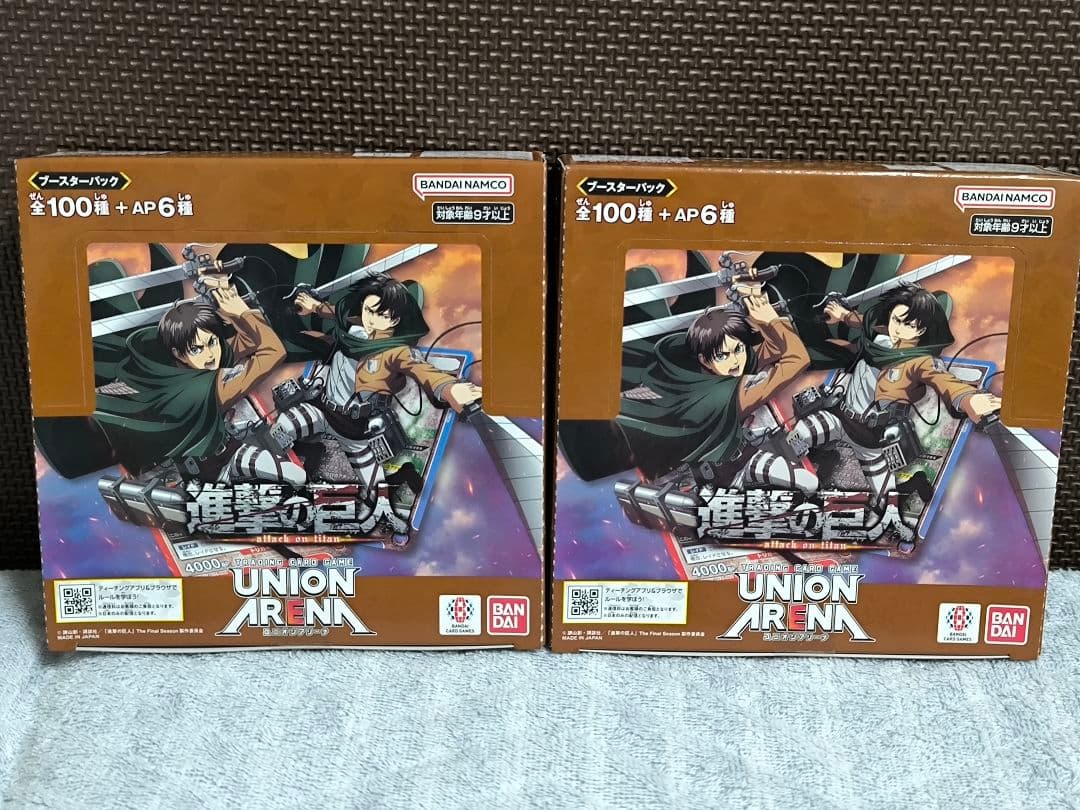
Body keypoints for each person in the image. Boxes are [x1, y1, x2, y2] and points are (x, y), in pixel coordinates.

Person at [266, 272, 481, 532]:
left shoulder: (396, 351)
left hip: (354, 428)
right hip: (322, 409)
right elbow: (341, 314)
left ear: (395, 319)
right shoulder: (354, 331)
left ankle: (384, 515)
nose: (370, 318)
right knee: (282, 428)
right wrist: (316, 307)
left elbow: (425, 372)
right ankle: (277, 485)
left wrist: (450, 389)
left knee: (377, 492)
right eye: (368, 310)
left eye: (380, 314)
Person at [560, 281, 812, 488]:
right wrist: (770, 319)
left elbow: (764, 353)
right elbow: (797, 359)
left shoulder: (686, 372)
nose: (736, 359)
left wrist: (766, 318)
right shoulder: (722, 396)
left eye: (737, 350)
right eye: (725, 354)